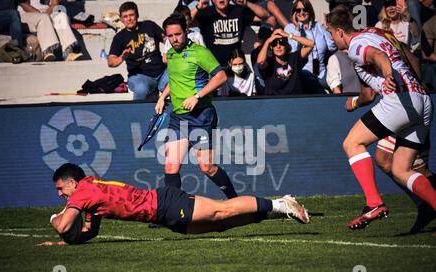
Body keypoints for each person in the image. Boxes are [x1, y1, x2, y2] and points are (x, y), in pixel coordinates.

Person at [325, 5, 436, 230]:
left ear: (339, 32)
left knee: (352, 143)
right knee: (401, 169)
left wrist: (387, 74)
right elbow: (404, 57)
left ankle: (374, 204)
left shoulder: (356, 46)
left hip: (400, 99)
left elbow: (378, 55)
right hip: (422, 100)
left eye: (330, 34)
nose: (331, 39)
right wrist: (355, 103)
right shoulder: (377, 33)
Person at [39, 163, 310, 245]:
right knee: (220, 224)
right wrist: (68, 241)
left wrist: (54, 219)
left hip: (165, 204)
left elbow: (63, 224)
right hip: (162, 214)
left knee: (222, 209)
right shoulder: (88, 193)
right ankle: (276, 213)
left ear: (71, 183)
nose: (61, 195)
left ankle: (281, 204)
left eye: (61, 189)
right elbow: (92, 231)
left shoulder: (82, 193)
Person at [156, 14, 238, 200]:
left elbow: (221, 77)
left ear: (186, 31)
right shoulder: (170, 54)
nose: (174, 39)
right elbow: (175, 80)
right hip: (178, 118)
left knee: (206, 167)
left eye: (178, 34)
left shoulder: (200, 52)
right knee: (171, 166)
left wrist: (197, 96)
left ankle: (235, 201)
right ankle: (173, 211)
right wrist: (162, 97)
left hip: (200, 116)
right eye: (170, 36)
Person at [108, 1, 168, 100]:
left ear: (137, 15)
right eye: (125, 16)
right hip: (140, 77)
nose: (129, 19)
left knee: (178, 80)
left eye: (131, 15)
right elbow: (110, 61)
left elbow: (167, 40)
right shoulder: (119, 37)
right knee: (141, 88)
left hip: (162, 72)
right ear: (122, 19)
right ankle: (136, 113)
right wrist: (122, 57)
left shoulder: (149, 26)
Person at [191, 0, 269, 66]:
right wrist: (198, 6)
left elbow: (265, 15)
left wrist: (246, 3)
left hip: (236, 65)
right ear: (213, 1)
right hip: (214, 67)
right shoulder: (206, 13)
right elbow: (185, 23)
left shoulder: (238, 11)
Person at [284, 0, 337, 94]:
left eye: (305, 9)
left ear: (310, 11)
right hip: (304, 72)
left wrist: (328, 29)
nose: (302, 12)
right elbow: (294, 53)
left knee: (338, 83)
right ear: (294, 13)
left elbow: (332, 47)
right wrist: (297, 29)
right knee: (318, 91)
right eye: (298, 10)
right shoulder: (290, 28)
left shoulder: (318, 26)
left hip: (321, 72)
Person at [257, 28, 314, 95]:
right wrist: (267, 42)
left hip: (295, 101)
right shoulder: (269, 63)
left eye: (282, 42)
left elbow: (311, 44)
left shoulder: (295, 58)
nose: (278, 46)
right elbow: (260, 62)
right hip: (274, 102)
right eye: (274, 43)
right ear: (271, 47)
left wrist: (288, 35)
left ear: (287, 45)